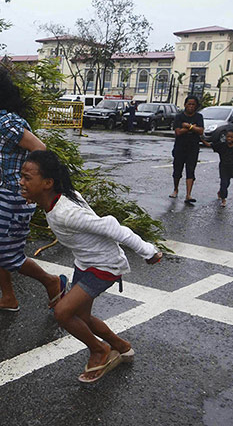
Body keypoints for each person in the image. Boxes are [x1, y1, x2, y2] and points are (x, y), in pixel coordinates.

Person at [19, 150, 162, 383]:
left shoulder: (66, 213)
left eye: (27, 177)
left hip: (104, 266)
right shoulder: (59, 198)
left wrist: (149, 251)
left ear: (47, 183)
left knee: (63, 312)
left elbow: (112, 227)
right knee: (81, 317)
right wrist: (33, 198)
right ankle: (121, 346)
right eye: (22, 176)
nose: (21, 182)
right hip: (86, 263)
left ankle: (99, 350)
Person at [0, 67, 66, 312]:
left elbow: (41, 149)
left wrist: (30, 184)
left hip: (14, 198)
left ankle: (52, 282)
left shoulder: (8, 122)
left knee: (7, 255)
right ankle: (8, 298)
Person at [170, 95, 205, 203]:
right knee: (177, 170)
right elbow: (178, 132)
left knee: (190, 170)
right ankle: (175, 189)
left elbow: (201, 131)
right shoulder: (179, 117)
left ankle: (188, 194)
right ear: (185, 105)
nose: (191, 106)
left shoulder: (199, 117)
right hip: (180, 147)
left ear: (196, 106)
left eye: (193, 104)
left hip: (193, 148)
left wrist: (188, 127)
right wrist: (192, 127)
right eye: (189, 104)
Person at [203, 129, 233, 207]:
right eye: (228, 137)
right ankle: (223, 199)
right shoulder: (221, 145)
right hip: (223, 167)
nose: (229, 139)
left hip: (232, 167)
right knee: (223, 182)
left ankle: (221, 192)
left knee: (227, 182)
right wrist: (201, 138)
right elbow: (210, 145)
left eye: (231, 137)